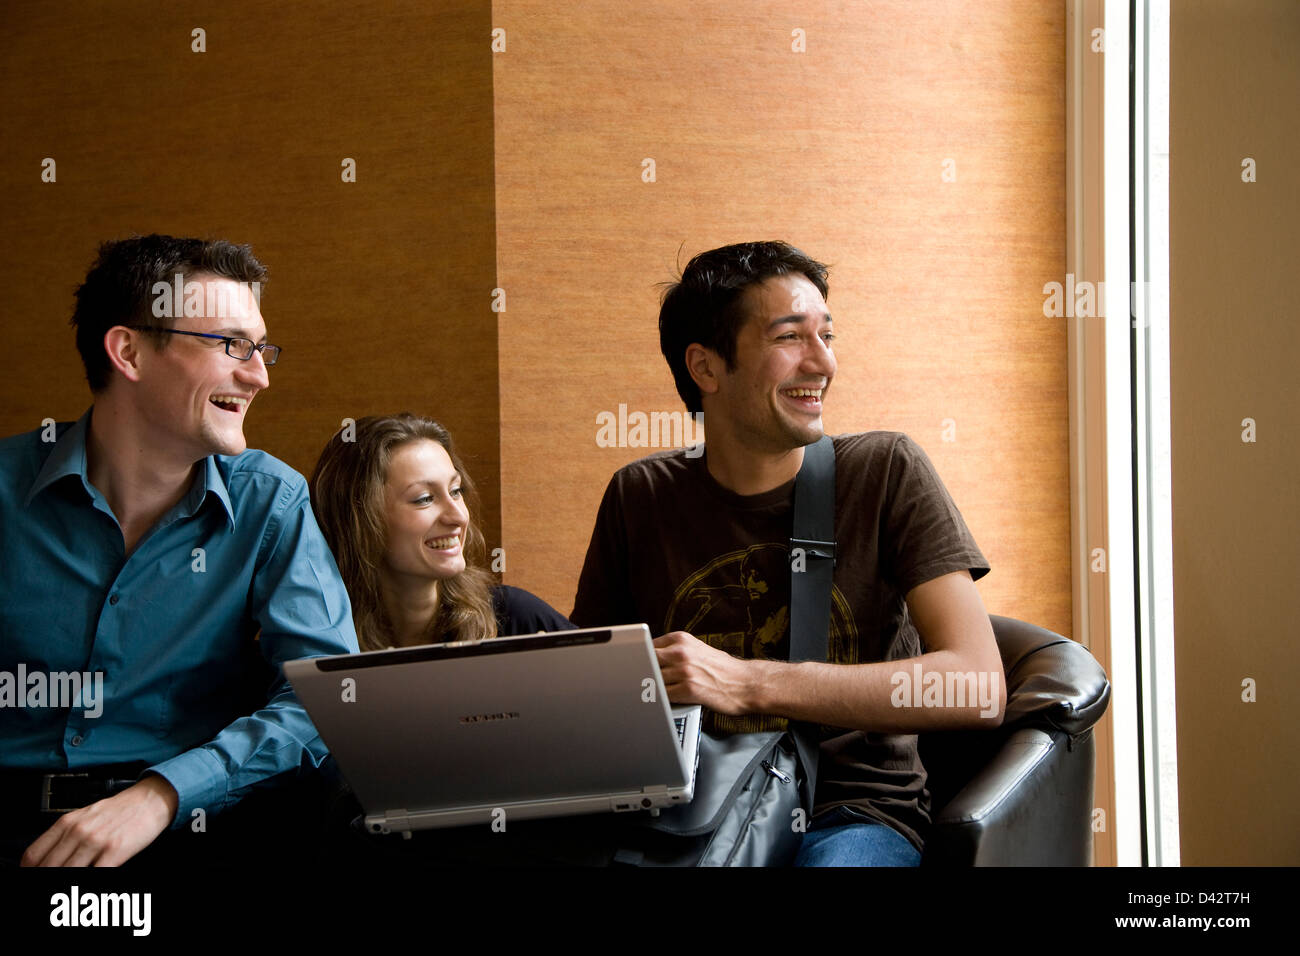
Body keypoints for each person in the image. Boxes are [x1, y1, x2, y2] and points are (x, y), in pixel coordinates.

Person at [571, 240, 1006, 867]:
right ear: (706, 367)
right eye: (790, 338)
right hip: (687, 821)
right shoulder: (640, 496)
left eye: (826, 335)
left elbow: (977, 687)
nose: (822, 361)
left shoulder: (884, 471)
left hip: (849, 817)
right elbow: (593, 695)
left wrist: (750, 683)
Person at [0, 234, 360, 867]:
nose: (259, 375)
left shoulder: (270, 503)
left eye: (262, 348)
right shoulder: (5, 493)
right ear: (129, 351)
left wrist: (163, 794)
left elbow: (330, 695)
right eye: (231, 345)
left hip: (189, 827)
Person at [309, 413, 573, 648]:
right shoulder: (311, 639)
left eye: (456, 491)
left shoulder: (515, 619)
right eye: (424, 498)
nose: (458, 516)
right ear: (359, 521)